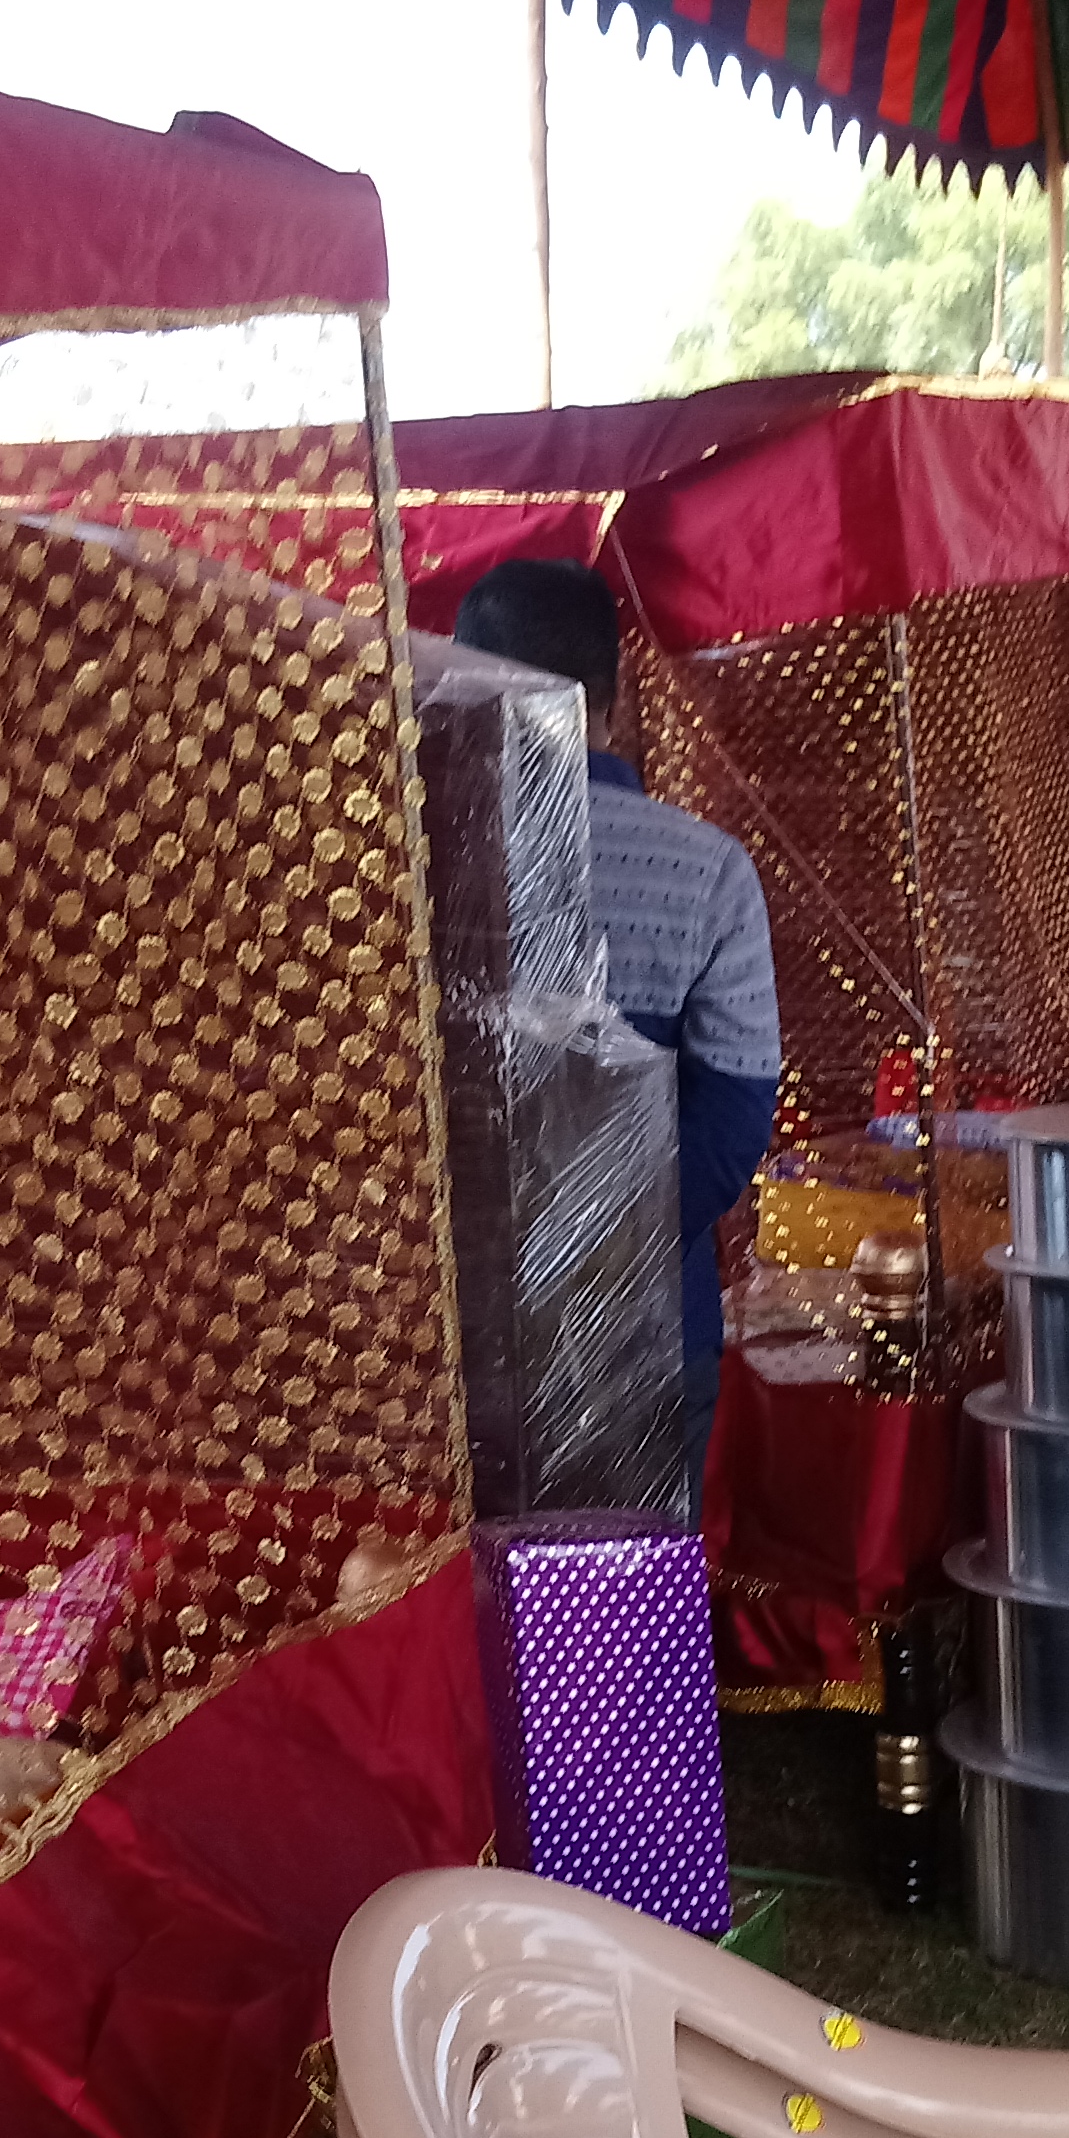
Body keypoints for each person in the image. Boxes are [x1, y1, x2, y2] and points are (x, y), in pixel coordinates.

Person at [458, 559, 780, 1465]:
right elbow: (735, 1111)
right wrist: (605, 1247)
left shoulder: (411, 866)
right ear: (614, 694)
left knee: (458, 1592)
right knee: (629, 1588)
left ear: (466, 680)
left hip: (457, 1328)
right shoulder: (706, 870)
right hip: (644, 1323)